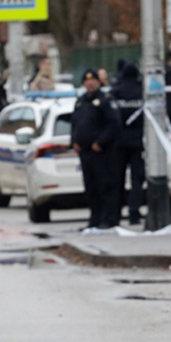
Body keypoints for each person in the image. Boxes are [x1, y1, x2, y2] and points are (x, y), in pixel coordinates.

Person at [71, 68, 121, 230]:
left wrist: (100, 142)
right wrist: (74, 141)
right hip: (85, 152)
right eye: (87, 80)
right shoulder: (81, 101)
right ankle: (95, 219)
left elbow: (114, 124)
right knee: (91, 187)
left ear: (99, 82)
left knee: (105, 186)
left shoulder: (106, 100)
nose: (90, 83)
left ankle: (109, 218)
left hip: (102, 152)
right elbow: (75, 124)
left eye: (93, 80)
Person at [109, 62, 146, 225]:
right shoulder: (142, 91)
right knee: (137, 180)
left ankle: (116, 213)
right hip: (138, 142)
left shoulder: (115, 92)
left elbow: (109, 117)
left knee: (118, 179)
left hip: (118, 142)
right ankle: (134, 212)